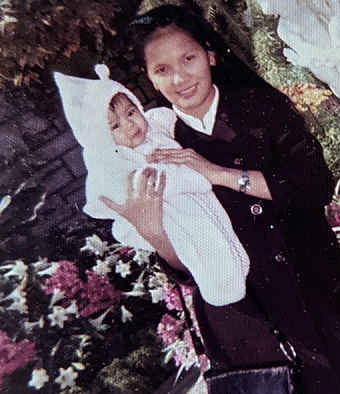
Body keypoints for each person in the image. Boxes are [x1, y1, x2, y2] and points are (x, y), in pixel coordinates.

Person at [119, 4, 340, 394]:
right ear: (150, 79)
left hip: (319, 287)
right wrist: (155, 235)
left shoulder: (260, 107)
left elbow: (314, 184)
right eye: (162, 70)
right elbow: (190, 269)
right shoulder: (155, 145)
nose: (179, 78)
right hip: (252, 319)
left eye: (188, 58)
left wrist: (219, 175)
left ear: (209, 53)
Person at [54, 64, 249, 307]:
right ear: (99, 137)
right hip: (170, 213)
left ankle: (234, 274)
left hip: (193, 200)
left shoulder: (153, 131)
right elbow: (129, 191)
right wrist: (197, 178)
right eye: (115, 126)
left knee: (217, 228)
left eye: (130, 112)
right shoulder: (112, 164)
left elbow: (166, 118)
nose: (130, 125)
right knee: (201, 241)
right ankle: (223, 287)